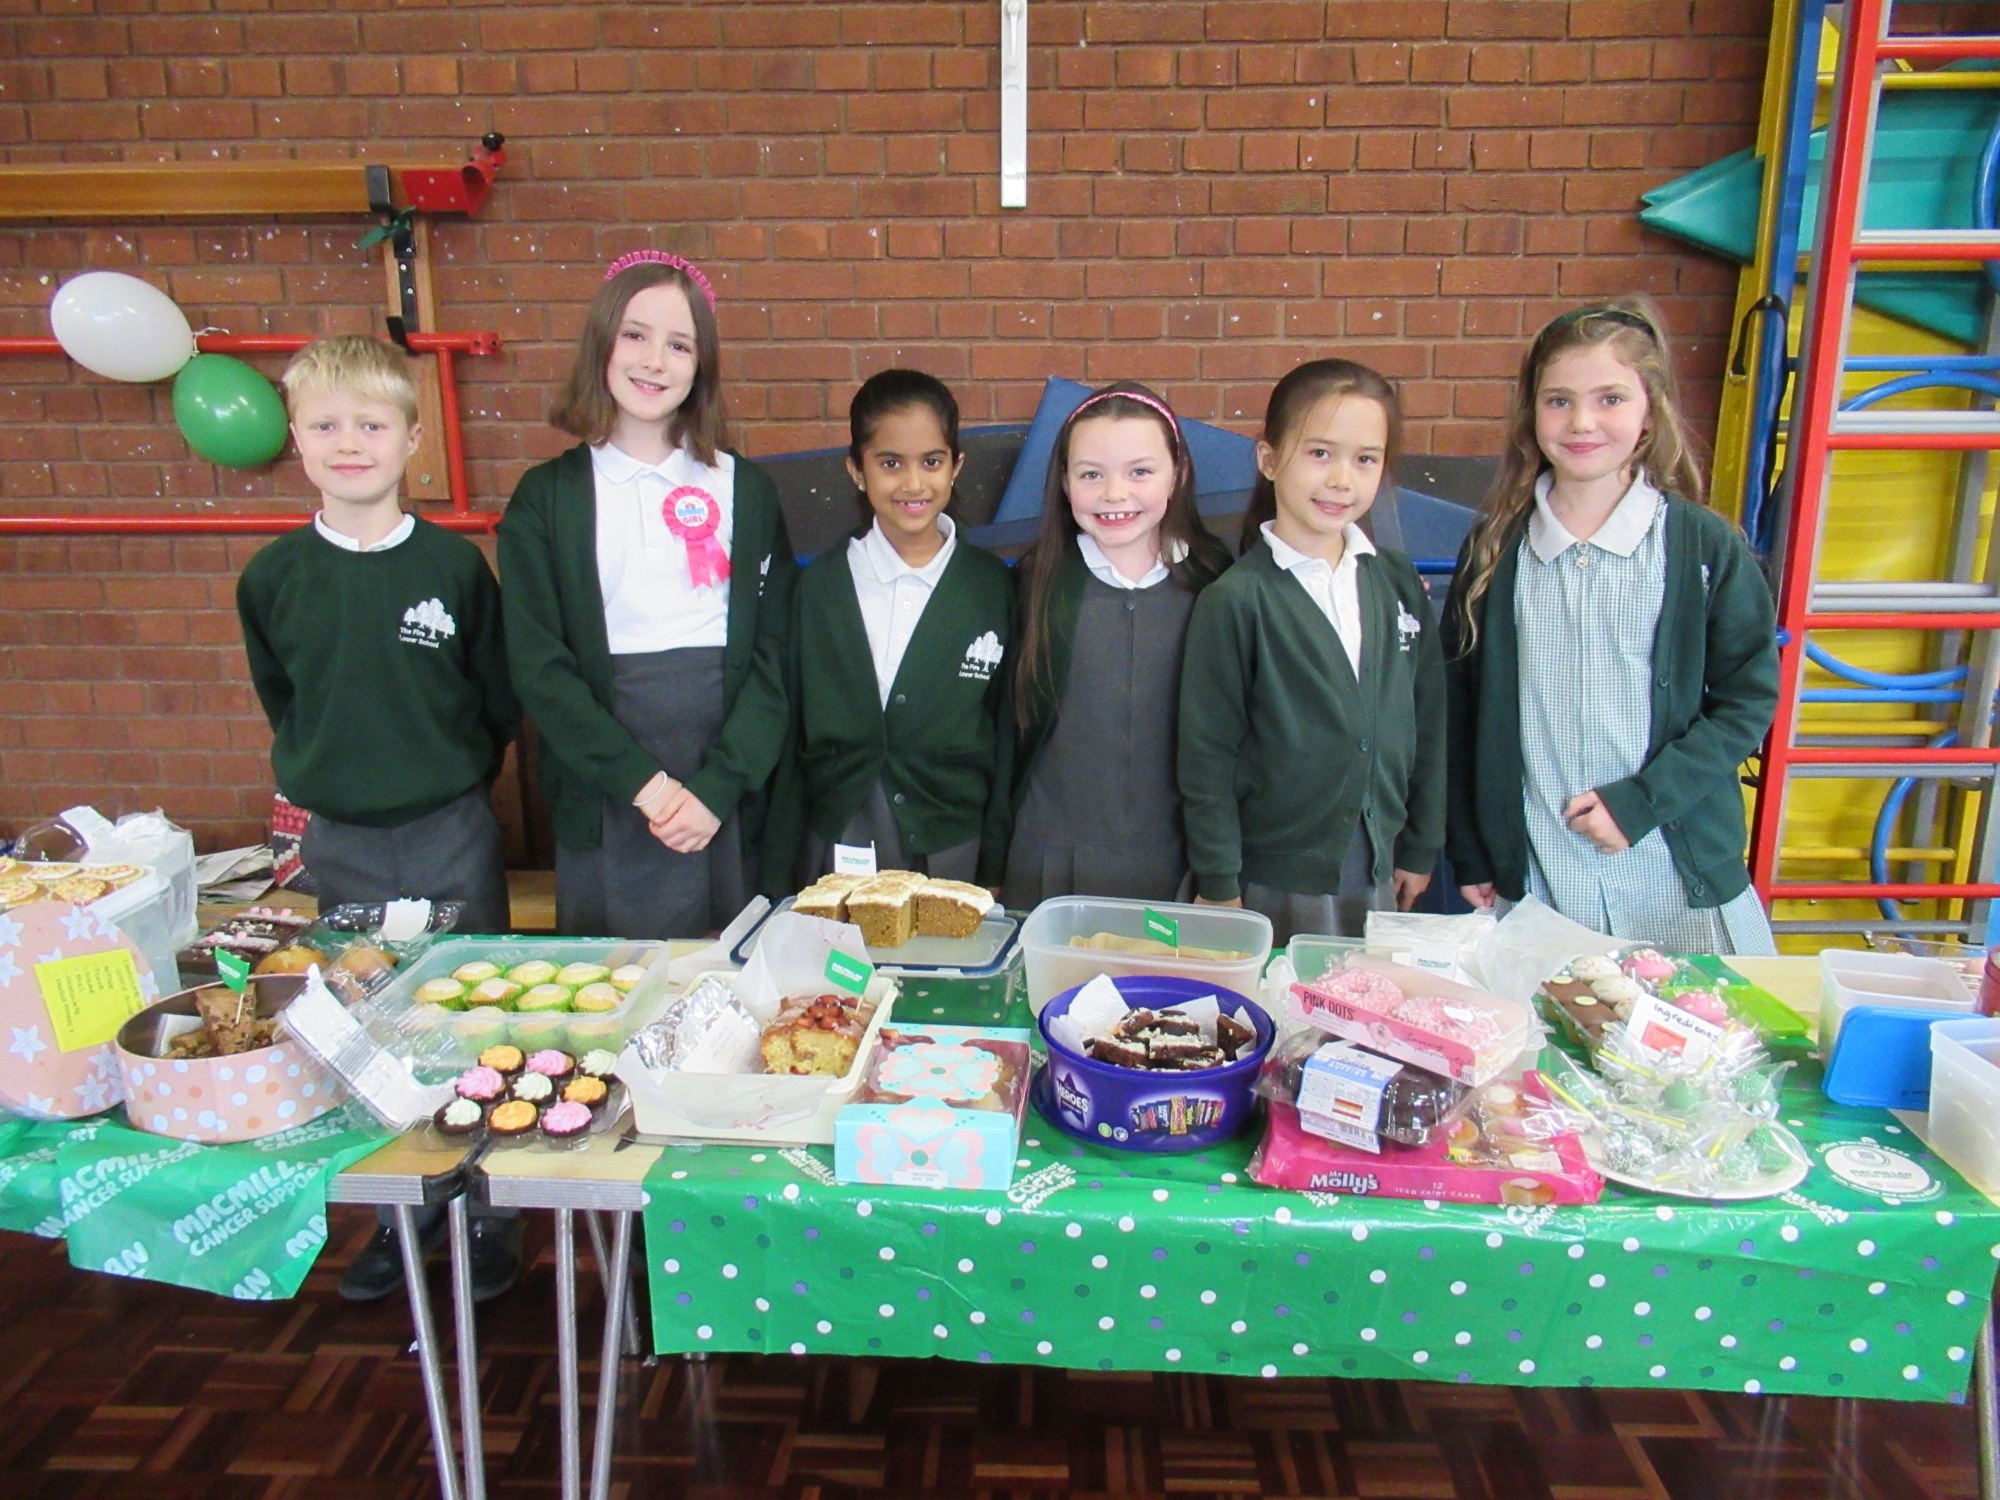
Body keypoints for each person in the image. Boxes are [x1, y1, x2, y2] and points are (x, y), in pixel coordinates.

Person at [235, 333, 522, 1301]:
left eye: (370, 424)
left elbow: (492, 702)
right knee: (368, 1028)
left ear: (410, 441)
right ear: (297, 442)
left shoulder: (453, 570)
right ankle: (403, 1207)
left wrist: (448, 780)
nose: (347, 442)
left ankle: (489, 1211)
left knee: (473, 1020)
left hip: (451, 831)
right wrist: (339, 781)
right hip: (342, 842)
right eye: (324, 425)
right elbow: (284, 699)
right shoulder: (274, 579)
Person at [1440, 299, 1779, 953]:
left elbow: (1746, 701)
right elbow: (1459, 709)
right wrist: (1474, 850)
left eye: (1611, 399)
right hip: (1543, 883)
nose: (1583, 421)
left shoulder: (1701, 546)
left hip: (1675, 882)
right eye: (1558, 400)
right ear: (1531, 413)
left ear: (1650, 409)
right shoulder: (1494, 551)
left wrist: (1644, 801)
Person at [497, 251, 795, 939]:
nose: (655, 360)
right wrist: (649, 787)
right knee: (616, 983)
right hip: (608, 774)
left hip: (726, 777)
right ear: (602, 341)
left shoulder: (746, 491)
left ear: (701, 365)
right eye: (636, 334)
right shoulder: (546, 499)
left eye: (680, 344)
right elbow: (540, 667)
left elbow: (777, 655)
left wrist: (717, 788)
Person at [1178, 359, 1445, 944]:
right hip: (1276, 877)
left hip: (1377, 863)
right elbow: (1207, 755)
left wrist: (1420, 843)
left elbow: (1426, 716)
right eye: (1320, 453)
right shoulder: (1237, 599)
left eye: (1365, 459)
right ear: (1269, 459)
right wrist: (1219, 877)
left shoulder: (1395, 580)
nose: (1341, 480)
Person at [772, 368, 1013, 886]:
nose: (913, 483)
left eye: (931, 461)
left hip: (953, 843)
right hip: (840, 837)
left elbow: (1006, 736)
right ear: (857, 470)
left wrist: (994, 863)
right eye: (889, 463)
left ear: (956, 466)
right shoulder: (817, 590)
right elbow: (790, 736)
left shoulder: (994, 588)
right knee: (847, 966)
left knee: (943, 965)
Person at [1002, 383, 1232, 908]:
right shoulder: (1036, 583)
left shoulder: (1218, 583)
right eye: (1090, 474)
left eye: (1140, 471)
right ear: (1064, 482)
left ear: (1179, 473)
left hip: (1177, 864)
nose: (1114, 493)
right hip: (1050, 859)